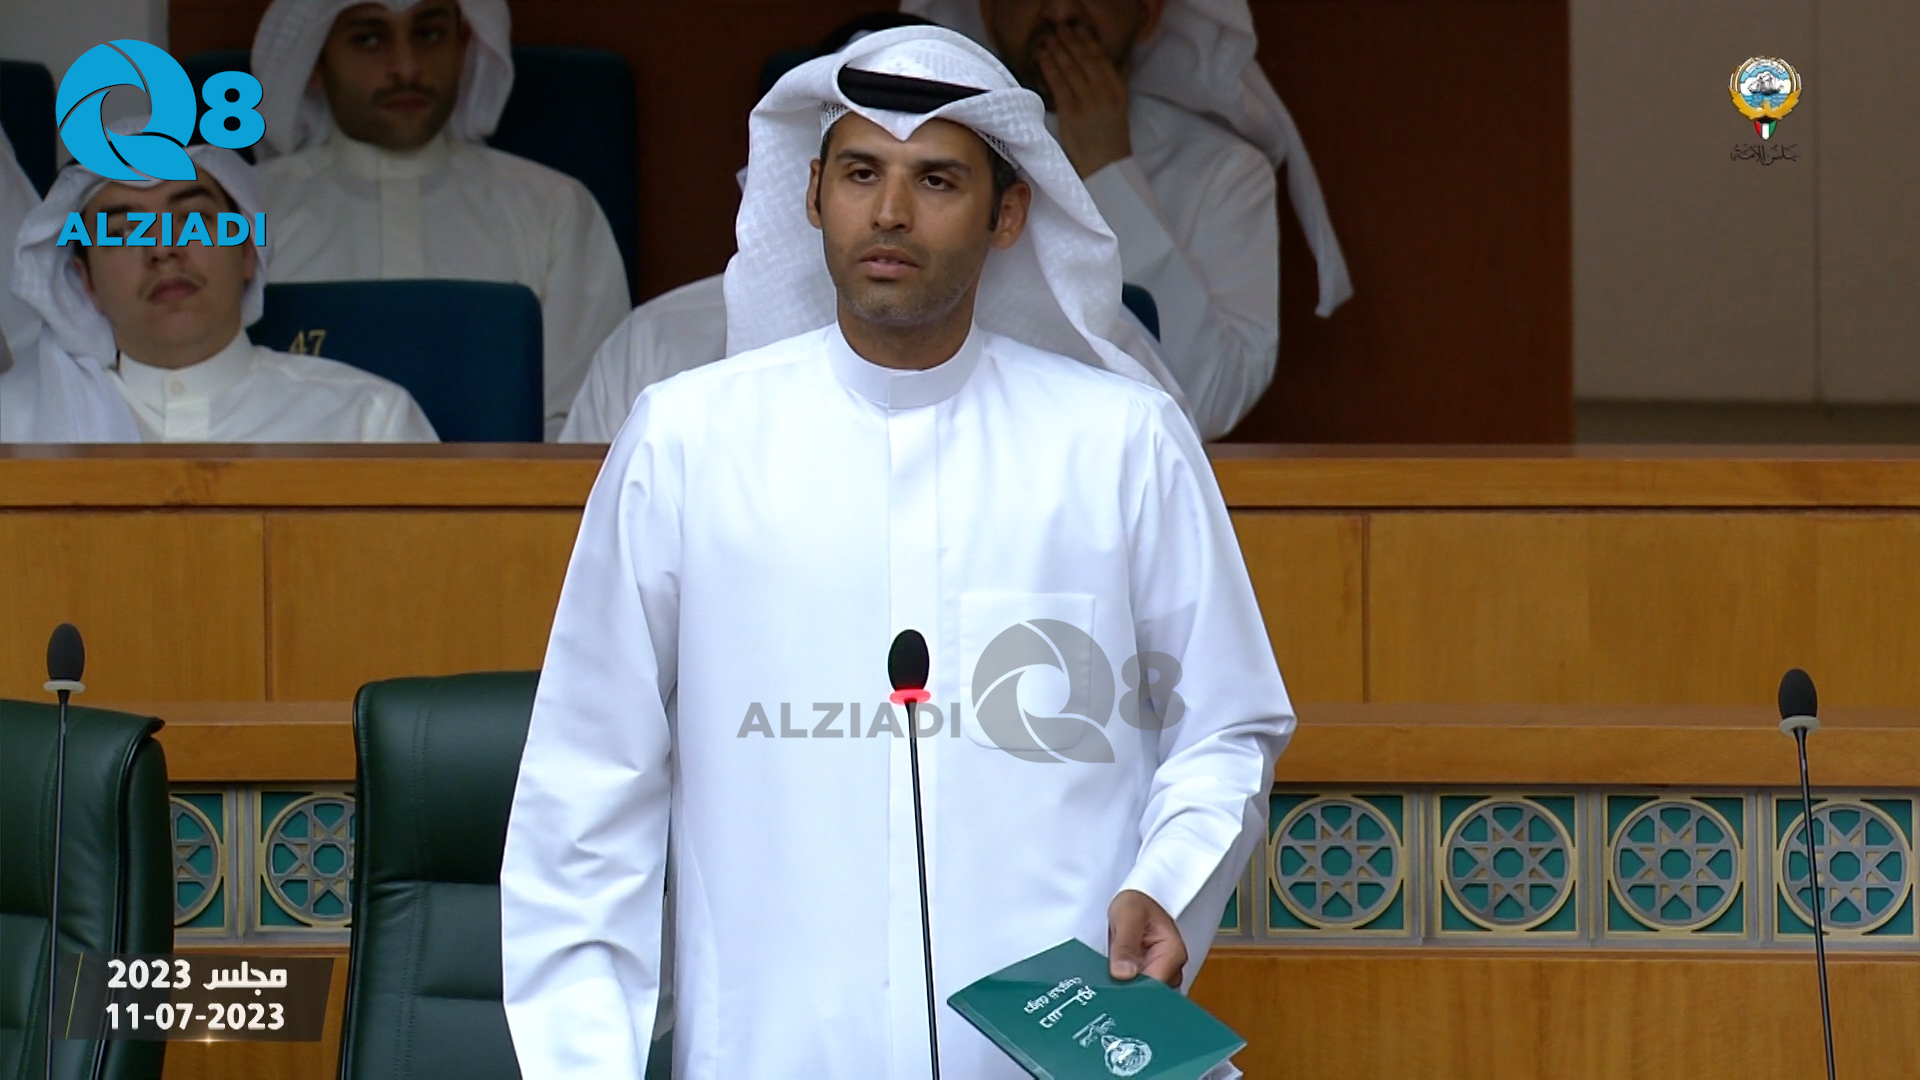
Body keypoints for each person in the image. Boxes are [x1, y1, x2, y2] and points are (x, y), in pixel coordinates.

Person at [500, 26, 1290, 1079]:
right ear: (811, 194)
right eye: (862, 173)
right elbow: (586, 790)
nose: (890, 212)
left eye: (938, 180)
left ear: (1010, 214)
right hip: (770, 1053)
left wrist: (1173, 882)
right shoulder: (688, 443)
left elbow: (1227, 722)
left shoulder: (1121, 443)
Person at [903, 0, 1351, 439]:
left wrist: (1109, 170)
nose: (1061, 11)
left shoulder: (1222, 170)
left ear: (1148, 12)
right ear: (988, 10)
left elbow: (1211, 401)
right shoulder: (923, 170)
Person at [250, 0, 630, 438]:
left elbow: (582, 427)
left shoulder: (554, 209)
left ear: (463, 46)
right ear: (316, 62)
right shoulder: (249, 211)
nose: (406, 67)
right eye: (369, 39)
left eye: (429, 34)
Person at [4, 136, 436, 442]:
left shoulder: (367, 422)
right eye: (124, 231)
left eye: (194, 219)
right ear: (87, 283)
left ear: (247, 251)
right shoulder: (15, 425)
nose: (164, 249)